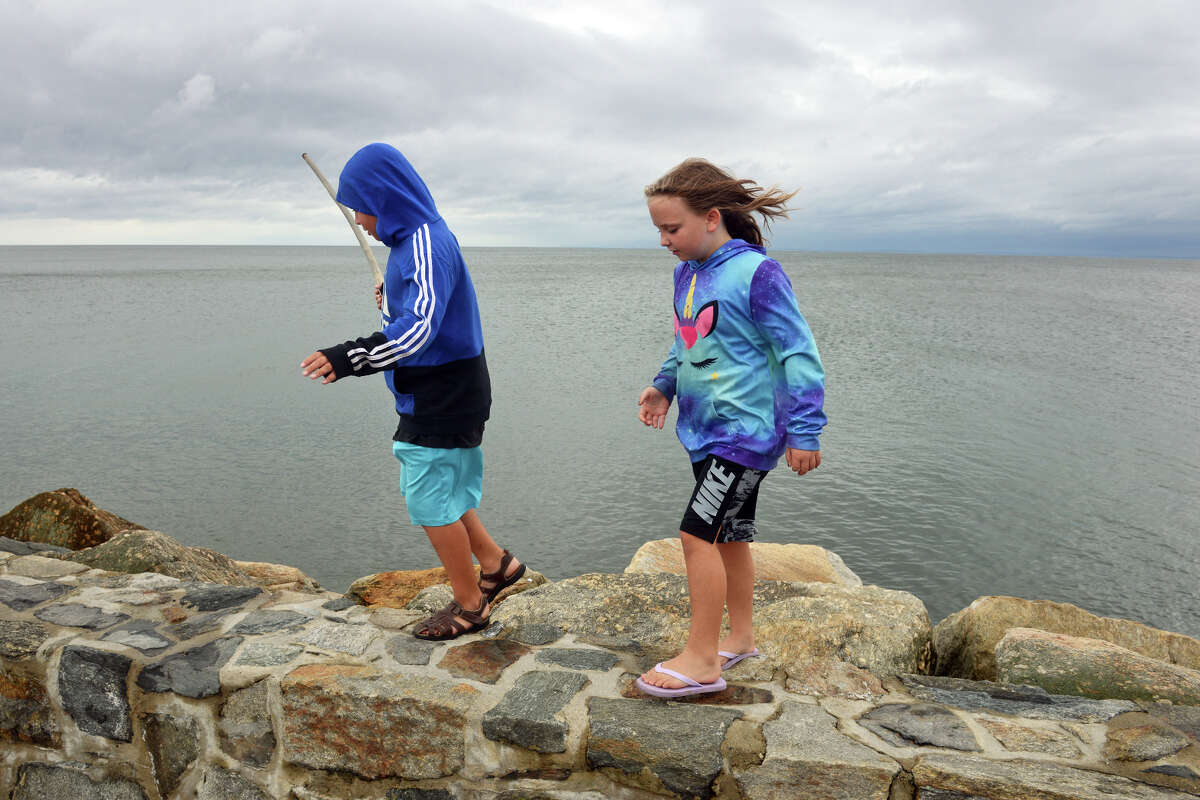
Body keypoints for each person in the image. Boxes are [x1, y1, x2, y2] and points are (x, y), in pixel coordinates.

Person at [300, 143, 525, 640]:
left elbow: (419, 331)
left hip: (442, 391)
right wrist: (390, 300)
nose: (358, 219)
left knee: (427, 494)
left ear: (386, 198)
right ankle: (495, 564)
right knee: (448, 486)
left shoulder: (424, 244)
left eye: (360, 205)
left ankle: (470, 606)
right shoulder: (416, 243)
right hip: (454, 387)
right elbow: (418, 313)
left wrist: (349, 356)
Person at [634, 158, 826, 697]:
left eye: (672, 229)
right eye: (659, 231)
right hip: (703, 428)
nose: (665, 241)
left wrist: (805, 430)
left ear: (712, 217)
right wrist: (663, 386)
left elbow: (798, 353)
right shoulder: (686, 273)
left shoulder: (757, 273)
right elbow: (686, 341)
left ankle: (701, 659)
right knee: (729, 538)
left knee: (696, 535)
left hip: (745, 435)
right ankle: (739, 639)